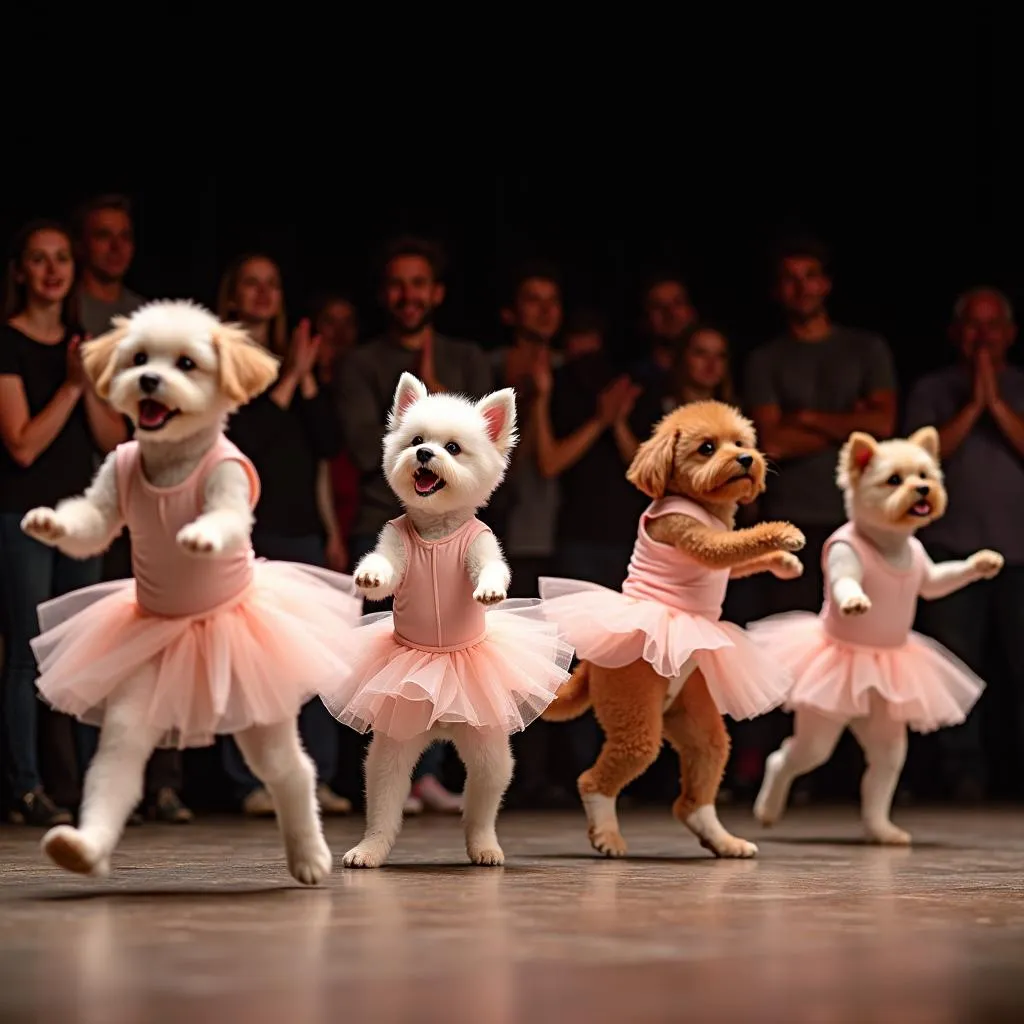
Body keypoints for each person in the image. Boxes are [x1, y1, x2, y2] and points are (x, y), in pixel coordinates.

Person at [337, 236, 491, 813]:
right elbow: (359, 444)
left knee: (456, 645)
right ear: (386, 294)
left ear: (437, 292)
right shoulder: (363, 363)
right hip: (388, 520)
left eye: (419, 283)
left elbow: (484, 451)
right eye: (398, 284)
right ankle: (396, 770)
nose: (409, 295)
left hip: (456, 527)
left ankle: (432, 775)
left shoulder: (469, 360)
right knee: (401, 655)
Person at [215, 253, 354, 817]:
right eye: (251, 283)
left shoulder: (292, 363)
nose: (263, 293)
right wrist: (292, 379)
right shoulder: (222, 363)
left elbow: (326, 446)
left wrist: (330, 530)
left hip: (301, 529)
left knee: (313, 661)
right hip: (251, 530)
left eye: (272, 283)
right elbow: (247, 444)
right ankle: (250, 781)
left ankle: (313, 777)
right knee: (251, 661)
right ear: (232, 295)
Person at [71, 192, 192, 825]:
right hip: (101, 484)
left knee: (166, 638)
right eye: (102, 235)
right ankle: (91, 783)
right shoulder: (76, 312)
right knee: (108, 640)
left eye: (123, 236)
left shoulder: (143, 316)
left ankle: (164, 781)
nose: (114, 247)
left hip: (160, 483)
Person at [0, 219, 126, 825]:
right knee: (27, 653)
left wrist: (91, 381)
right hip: (26, 514)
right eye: (38, 259)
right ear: (21, 270)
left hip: (82, 516)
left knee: (83, 654)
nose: (51, 270)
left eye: (61, 259)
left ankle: (88, 791)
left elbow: (111, 438)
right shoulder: (9, 342)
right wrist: (73, 389)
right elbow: (22, 444)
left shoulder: (83, 347)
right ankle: (25, 785)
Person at [904, 287, 1024, 800]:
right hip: (949, 549)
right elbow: (919, 459)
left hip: (1019, 553)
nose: (983, 336)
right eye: (972, 325)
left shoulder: (1021, 385)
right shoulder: (933, 390)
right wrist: (974, 405)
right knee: (955, 666)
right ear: (956, 334)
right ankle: (962, 775)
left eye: (992, 324)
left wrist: (995, 402)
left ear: (1010, 334)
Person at [744, 237, 897, 616]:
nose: (802, 287)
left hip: (857, 515)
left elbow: (882, 424)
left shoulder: (866, 349)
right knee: (788, 631)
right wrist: (849, 421)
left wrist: (807, 418)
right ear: (778, 290)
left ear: (826, 284)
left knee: (858, 629)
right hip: (789, 516)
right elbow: (774, 442)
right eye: (791, 279)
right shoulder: (765, 359)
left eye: (810, 276)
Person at [71, 194, 145, 338]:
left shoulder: (146, 314)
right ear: (79, 245)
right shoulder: (63, 310)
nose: (117, 247)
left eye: (125, 237)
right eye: (103, 235)